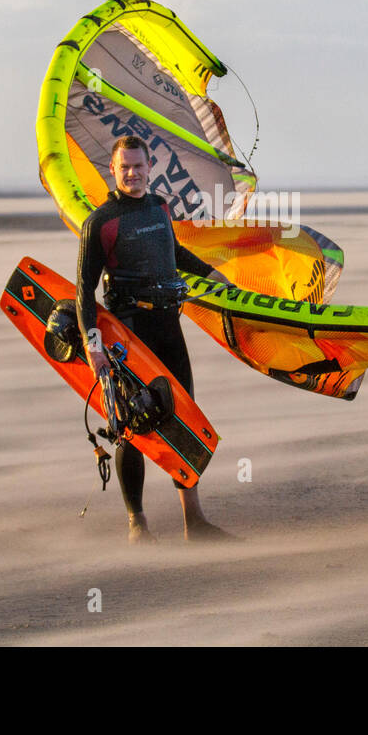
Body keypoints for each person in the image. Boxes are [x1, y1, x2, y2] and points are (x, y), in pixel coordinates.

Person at [76, 135, 235, 544]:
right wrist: (94, 345)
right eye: (124, 166)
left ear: (150, 167)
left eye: (138, 165)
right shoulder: (101, 222)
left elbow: (175, 252)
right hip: (129, 336)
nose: (132, 173)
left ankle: (194, 520)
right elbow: (83, 293)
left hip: (168, 326)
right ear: (112, 170)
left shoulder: (160, 206)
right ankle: (137, 523)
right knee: (134, 426)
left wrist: (215, 277)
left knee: (184, 417)